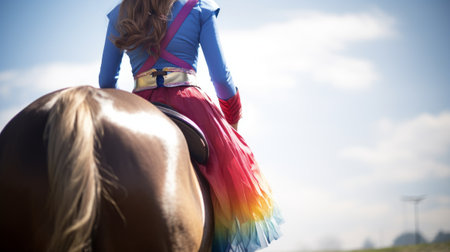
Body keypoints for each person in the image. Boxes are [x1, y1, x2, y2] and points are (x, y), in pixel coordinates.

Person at [99, 0, 282, 251]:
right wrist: (232, 118)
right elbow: (221, 79)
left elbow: (106, 80)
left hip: (139, 102)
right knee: (226, 183)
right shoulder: (199, 8)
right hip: (190, 105)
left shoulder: (121, 12)